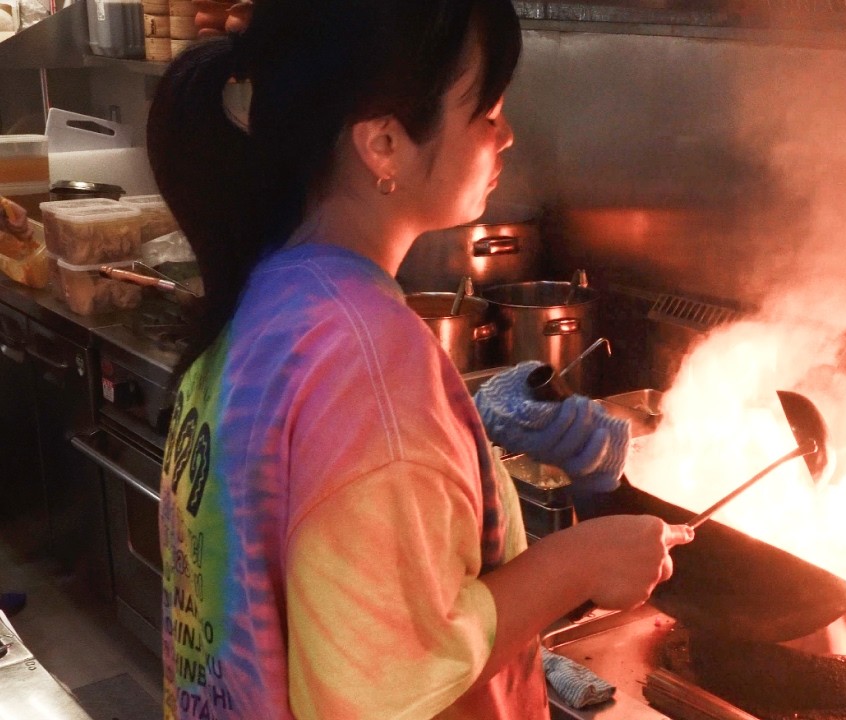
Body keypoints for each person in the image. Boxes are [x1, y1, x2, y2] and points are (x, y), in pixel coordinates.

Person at [144, 0, 694, 716]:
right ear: (385, 143)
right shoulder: (369, 360)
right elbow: (382, 680)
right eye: (486, 111)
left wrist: (469, 449)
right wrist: (580, 563)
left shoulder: (274, 290)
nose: (508, 134)